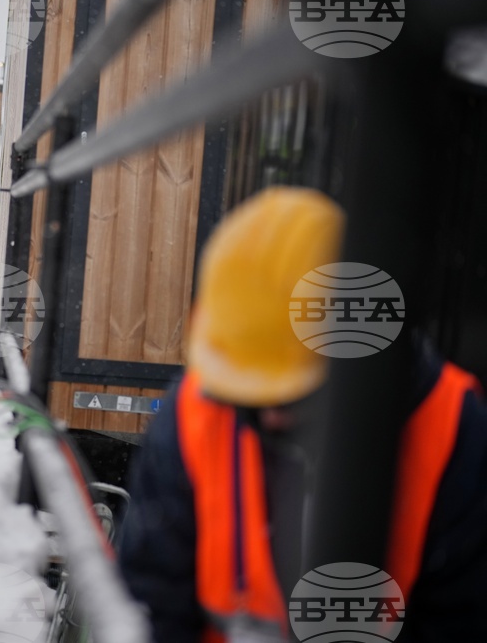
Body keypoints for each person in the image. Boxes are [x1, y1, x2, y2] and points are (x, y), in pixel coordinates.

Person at [116, 186, 487, 642]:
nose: (270, 417)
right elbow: (153, 601)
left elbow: (460, 621)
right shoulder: (195, 413)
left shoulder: (450, 429)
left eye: (294, 395)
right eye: (249, 392)